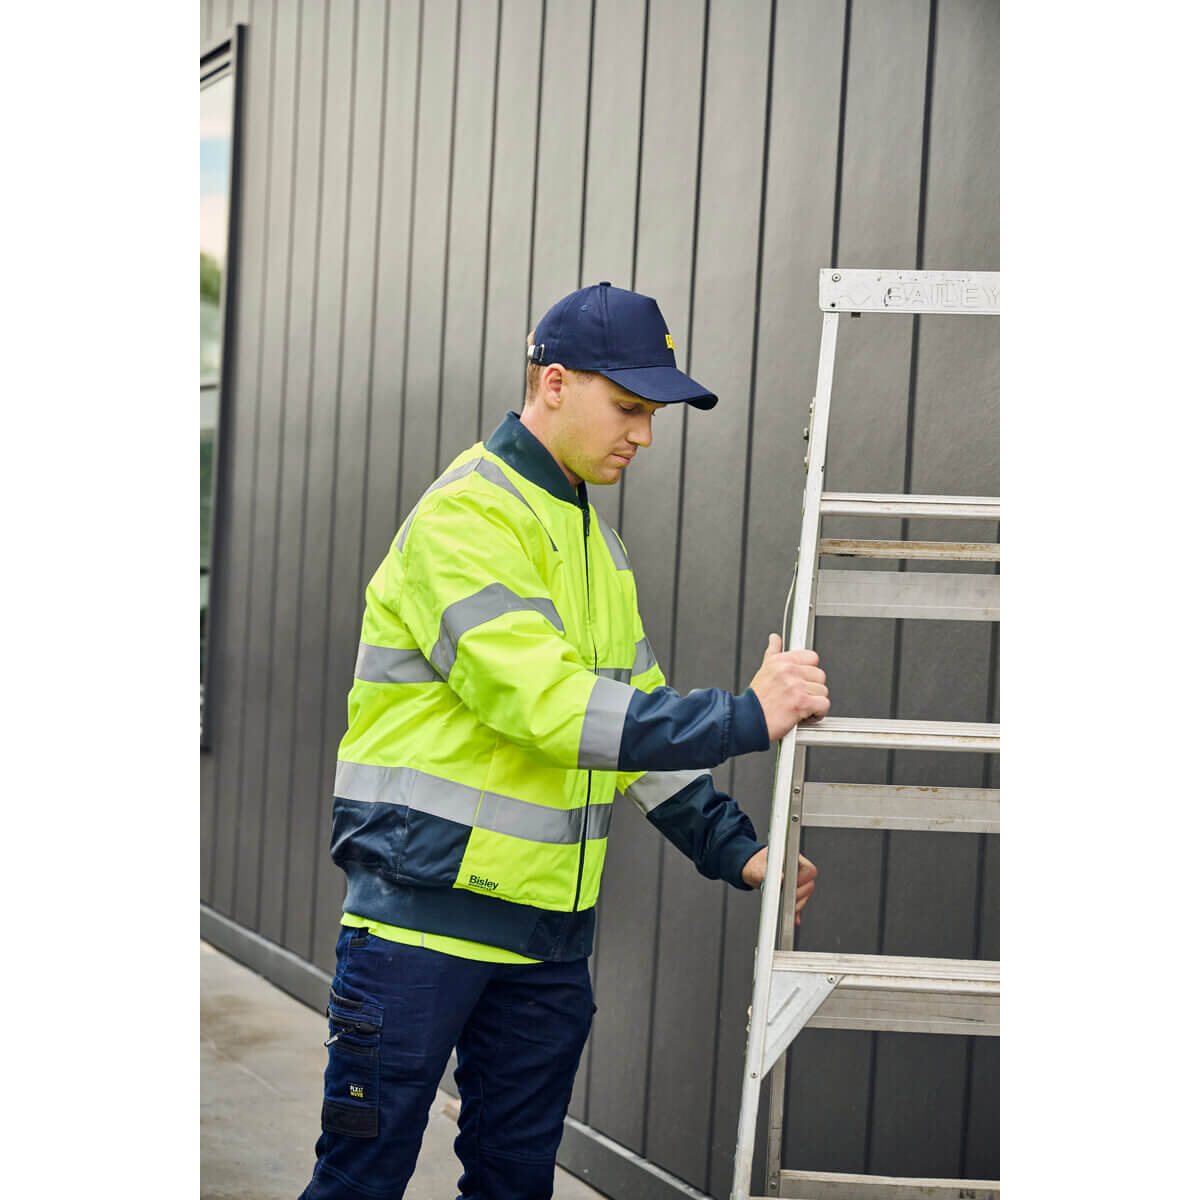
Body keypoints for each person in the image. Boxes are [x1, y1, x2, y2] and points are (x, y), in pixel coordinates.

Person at [299, 282, 829, 1200]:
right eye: (628, 407)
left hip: (546, 946)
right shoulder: (467, 518)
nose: (644, 435)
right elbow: (548, 706)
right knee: (361, 1184)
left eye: (653, 415)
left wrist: (736, 850)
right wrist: (746, 715)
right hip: (421, 923)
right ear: (553, 383)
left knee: (514, 1187)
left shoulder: (596, 547)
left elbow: (633, 720)